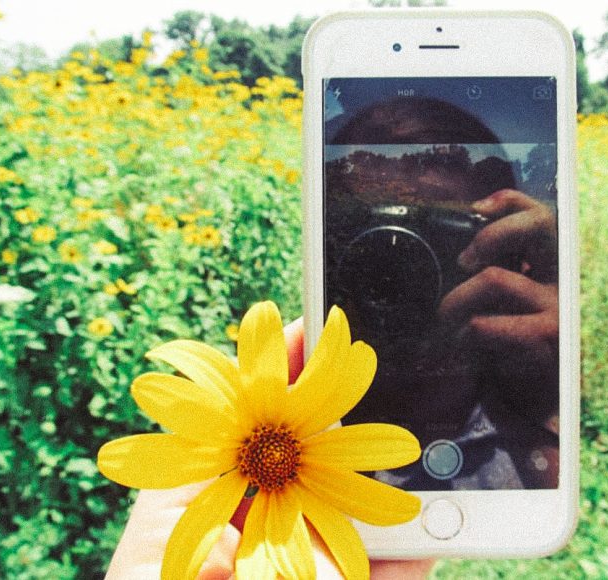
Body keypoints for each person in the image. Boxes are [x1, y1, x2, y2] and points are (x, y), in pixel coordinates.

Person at [327, 97, 559, 490]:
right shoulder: (283, 429)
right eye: (365, 233)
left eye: (436, 237)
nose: (394, 269)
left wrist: (549, 410)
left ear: (504, 253)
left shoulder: (527, 432)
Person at [105, 318, 435, 580]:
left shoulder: (288, 465)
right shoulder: (261, 459)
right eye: (267, 453)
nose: (275, 458)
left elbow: (358, 365)